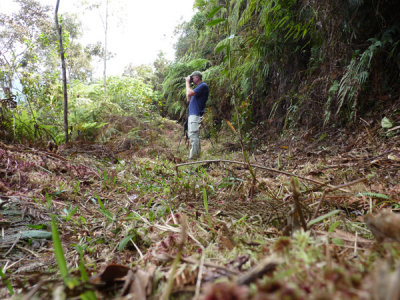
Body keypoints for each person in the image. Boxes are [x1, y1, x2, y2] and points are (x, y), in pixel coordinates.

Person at [185, 71, 209, 160]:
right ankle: (196, 155)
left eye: (192, 78)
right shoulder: (197, 89)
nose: (191, 79)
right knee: (192, 135)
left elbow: (189, 93)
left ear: (197, 77)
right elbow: (188, 98)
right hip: (192, 114)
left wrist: (187, 82)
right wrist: (188, 84)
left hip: (196, 114)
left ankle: (193, 157)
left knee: (193, 135)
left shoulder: (203, 86)